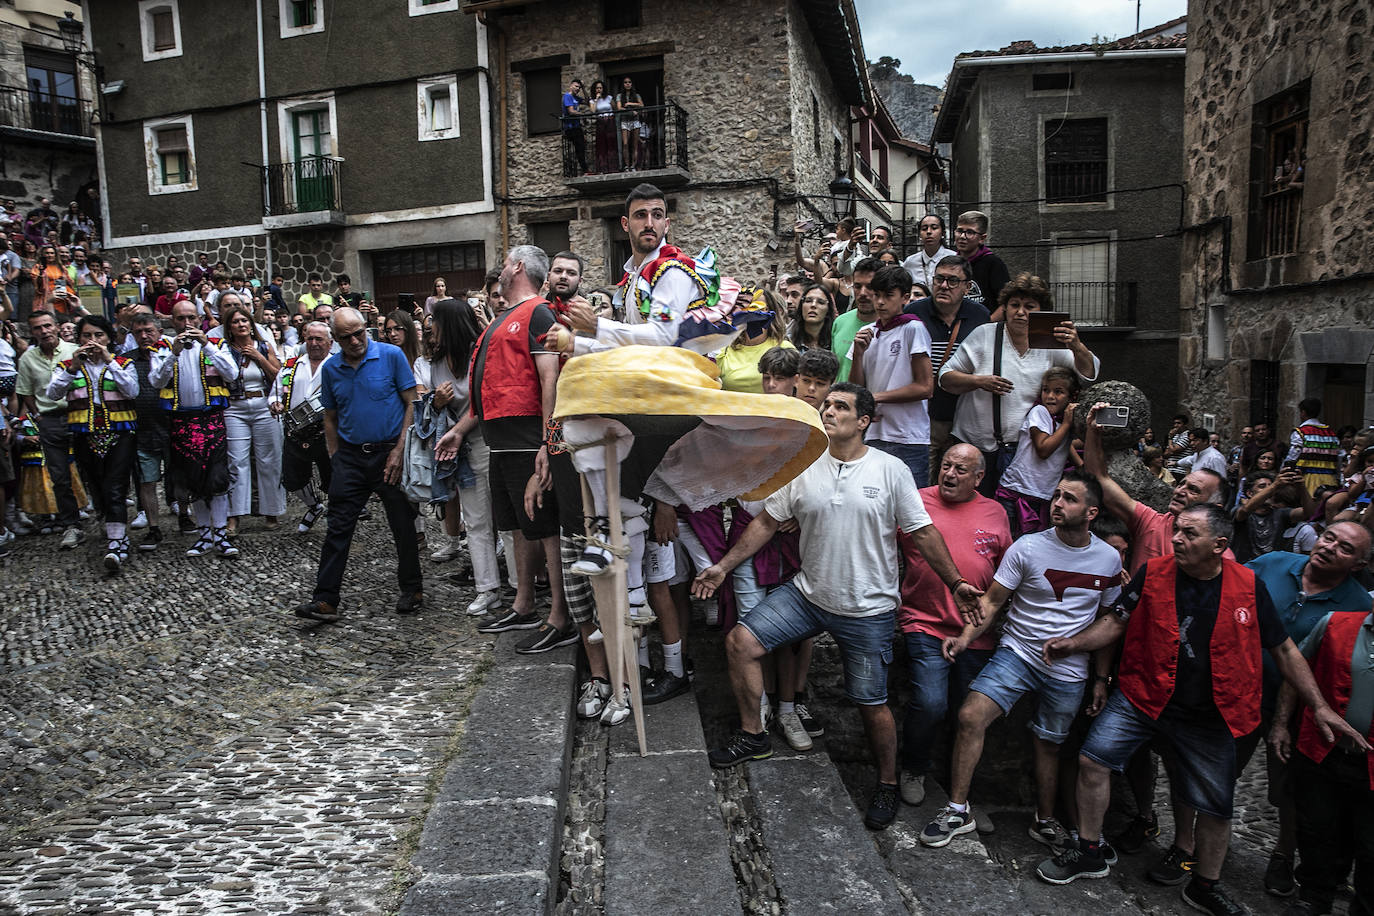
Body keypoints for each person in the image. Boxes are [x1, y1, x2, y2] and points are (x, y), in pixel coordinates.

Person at [1033, 506, 1367, 916]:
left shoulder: (1248, 585)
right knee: (1094, 759)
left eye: (1189, 534)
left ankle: (1205, 885)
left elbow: (1283, 649)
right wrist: (1074, 643)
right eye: (1177, 531)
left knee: (1215, 803)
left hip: (1213, 711)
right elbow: (1117, 622)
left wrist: (1318, 706)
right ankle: (1088, 850)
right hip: (1145, 695)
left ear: (1219, 545)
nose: (1176, 539)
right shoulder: (1154, 572)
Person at [695, 383, 980, 831]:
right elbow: (768, 521)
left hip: (868, 610)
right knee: (740, 643)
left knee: (871, 703)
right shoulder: (805, 465)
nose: (828, 411)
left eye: (840, 406)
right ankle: (754, 735)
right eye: (826, 404)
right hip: (808, 596)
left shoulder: (890, 470)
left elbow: (922, 533)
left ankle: (886, 782)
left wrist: (957, 582)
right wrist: (723, 567)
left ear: (863, 420)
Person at [921, 471, 1122, 851]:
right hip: (1018, 653)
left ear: (1091, 512)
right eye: (1057, 495)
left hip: (1070, 668)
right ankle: (956, 809)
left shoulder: (1109, 559)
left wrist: (1101, 678)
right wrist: (964, 639)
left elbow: (1110, 622)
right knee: (970, 715)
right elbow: (993, 601)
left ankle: (1044, 821)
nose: (1058, 504)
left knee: (1049, 744)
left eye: (1069, 499)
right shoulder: (1028, 547)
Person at [452, 246, 576, 652]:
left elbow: (549, 378)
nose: (501, 270)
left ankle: (560, 614)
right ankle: (523, 605)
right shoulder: (503, 316)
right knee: (518, 525)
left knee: (543, 525)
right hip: (500, 439)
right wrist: (460, 429)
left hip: (527, 439)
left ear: (518, 267)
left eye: (506, 263)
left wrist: (548, 439)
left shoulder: (538, 312)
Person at [1246, 521, 1373, 898]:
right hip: (1235, 693)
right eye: (1328, 537)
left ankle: (1285, 855)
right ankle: (1190, 847)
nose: (1330, 547)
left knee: (1290, 791)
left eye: (1345, 548)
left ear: (1358, 564)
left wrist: (1288, 720)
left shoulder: (1358, 607)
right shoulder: (1272, 563)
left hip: (1298, 711)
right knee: (1214, 770)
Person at [897, 444, 1012, 806]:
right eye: (946, 465)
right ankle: (914, 766)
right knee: (931, 703)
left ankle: (961, 793)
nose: (949, 474)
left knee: (970, 716)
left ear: (979, 477)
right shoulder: (915, 501)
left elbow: (1005, 571)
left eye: (961, 470)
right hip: (924, 622)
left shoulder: (995, 512)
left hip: (976, 632)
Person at [293, 308, 423, 622]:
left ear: (367, 329)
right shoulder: (332, 368)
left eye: (359, 333)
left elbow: (412, 402)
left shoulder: (390, 355)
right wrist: (336, 457)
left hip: (388, 452)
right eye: (346, 337)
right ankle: (325, 600)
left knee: (402, 524)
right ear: (335, 340)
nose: (355, 341)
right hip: (350, 456)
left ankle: (412, 588)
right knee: (338, 527)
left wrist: (399, 450)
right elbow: (330, 417)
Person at [938, 273, 1099, 498]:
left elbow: (1087, 375)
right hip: (974, 445)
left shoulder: (1049, 341)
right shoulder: (985, 334)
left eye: (1029, 306)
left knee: (1010, 517)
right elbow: (945, 377)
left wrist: (1077, 346)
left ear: (1041, 311)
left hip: (1022, 453)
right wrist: (978, 381)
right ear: (1005, 308)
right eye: (1014, 305)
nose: (1020, 312)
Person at [1269, 596, 1374, 916]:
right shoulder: (1334, 623)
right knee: (1317, 829)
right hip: (1325, 752)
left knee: (1371, 846)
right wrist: (1281, 724)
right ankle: (1313, 898)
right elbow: (1297, 671)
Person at [426, 298, 504, 618]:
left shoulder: (479, 354)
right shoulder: (436, 362)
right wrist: (436, 402)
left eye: (436, 323)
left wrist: (458, 429)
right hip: (459, 448)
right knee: (475, 521)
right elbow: (433, 411)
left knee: (507, 521)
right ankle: (488, 589)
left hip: (488, 441)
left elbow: (485, 402)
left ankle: (518, 585)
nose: (432, 329)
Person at [45, 315, 139, 570]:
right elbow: (52, 394)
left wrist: (110, 362)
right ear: (79, 339)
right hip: (85, 434)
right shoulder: (67, 366)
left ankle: (116, 544)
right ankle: (113, 530)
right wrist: (73, 368)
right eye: (87, 336)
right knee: (97, 486)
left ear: (108, 338)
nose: (93, 341)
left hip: (119, 432)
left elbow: (132, 391)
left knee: (115, 486)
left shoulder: (122, 362)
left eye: (98, 335)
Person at [149, 298, 241, 558]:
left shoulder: (216, 343)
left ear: (200, 319)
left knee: (218, 478)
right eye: (181, 319)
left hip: (212, 419)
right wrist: (174, 353)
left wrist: (206, 346)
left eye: (191, 318)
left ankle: (221, 534)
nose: (187, 324)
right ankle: (203, 535)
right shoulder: (163, 347)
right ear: (172, 321)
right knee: (193, 479)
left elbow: (232, 374)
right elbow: (156, 381)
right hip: (181, 422)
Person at [848, 263, 933, 484]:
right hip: (874, 433)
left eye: (888, 295)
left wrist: (874, 398)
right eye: (877, 295)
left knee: (909, 510)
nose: (880, 302)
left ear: (905, 298)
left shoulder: (913, 329)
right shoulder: (866, 333)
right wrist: (858, 355)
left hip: (908, 436)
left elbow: (925, 387)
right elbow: (856, 389)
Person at [15, 310, 82, 547]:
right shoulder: (27, 359)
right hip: (50, 421)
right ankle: (72, 525)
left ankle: (109, 521)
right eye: (37, 328)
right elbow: (25, 391)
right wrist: (38, 416)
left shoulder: (74, 350)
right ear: (31, 332)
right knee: (59, 476)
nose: (43, 332)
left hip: (80, 414)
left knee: (93, 468)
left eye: (46, 326)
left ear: (56, 326)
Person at [221, 302, 284, 535]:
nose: (240, 325)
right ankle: (234, 517)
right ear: (229, 327)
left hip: (263, 404)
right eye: (235, 322)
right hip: (234, 407)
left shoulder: (263, 346)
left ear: (251, 324)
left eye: (244, 320)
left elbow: (278, 375)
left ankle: (272, 512)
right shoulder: (224, 349)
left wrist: (259, 357)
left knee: (269, 460)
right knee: (236, 461)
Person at [996, 367, 1080, 537]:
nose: (1049, 396)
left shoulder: (1062, 422)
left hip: (1040, 496)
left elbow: (1064, 445)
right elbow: (1043, 449)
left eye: (1058, 392)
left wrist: (1081, 465)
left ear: (1072, 397)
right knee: (1010, 544)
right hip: (1017, 492)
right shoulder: (1039, 412)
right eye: (1045, 390)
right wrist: (1066, 425)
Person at [271, 320, 333, 534]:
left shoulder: (338, 366)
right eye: (310, 338)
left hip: (327, 430)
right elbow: (275, 392)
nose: (314, 343)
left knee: (332, 477)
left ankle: (336, 518)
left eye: (319, 339)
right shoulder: (291, 365)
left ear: (330, 342)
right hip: (296, 431)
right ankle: (314, 506)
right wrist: (275, 403)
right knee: (293, 479)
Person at [125, 312, 172, 550]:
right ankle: (154, 527)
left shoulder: (174, 355)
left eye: (149, 331)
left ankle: (184, 513)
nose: (144, 336)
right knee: (146, 480)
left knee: (180, 475)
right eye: (138, 332)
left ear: (159, 332)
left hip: (172, 425)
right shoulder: (126, 359)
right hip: (142, 427)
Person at [715, 289, 793, 394]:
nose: (753, 312)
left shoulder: (784, 348)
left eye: (759, 306)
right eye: (748, 306)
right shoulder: (724, 348)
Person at [952, 210, 1011, 315]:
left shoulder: (993, 264)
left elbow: (1006, 303)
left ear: (982, 238)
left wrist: (987, 326)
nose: (962, 236)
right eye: (959, 231)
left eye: (970, 232)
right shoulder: (951, 264)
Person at [831, 257, 878, 382]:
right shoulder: (840, 322)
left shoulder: (891, 327)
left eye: (870, 287)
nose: (862, 293)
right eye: (857, 286)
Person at [1291, 397, 1342, 495]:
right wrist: (1338, 477)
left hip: (1305, 478)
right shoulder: (1330, 433)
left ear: (1303, 412)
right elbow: (1338, 457)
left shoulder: (1300, 432)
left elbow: (1293, 455)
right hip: (1329, 479)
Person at [901, 214, 958, 293]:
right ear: (920, 235)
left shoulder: (954, 258)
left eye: (934, 228)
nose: (928, 232)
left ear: (943, 233)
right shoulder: (910, 262)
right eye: (924, 229)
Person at [786, 283, 834, 352]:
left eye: (820, 302)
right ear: (801, 307)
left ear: (828, 310)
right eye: (808, 301)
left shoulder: (835, 342)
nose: (813, 305)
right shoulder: (788, 342)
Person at [615, 77, 644, 173]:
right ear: (623, 84)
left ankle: (633, 165)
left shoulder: (637, 95)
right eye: (625, 82)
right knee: (625, 144)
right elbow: (619, 107)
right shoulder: (619, 96)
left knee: (635, 144)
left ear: (632, 84)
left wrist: (630, 103)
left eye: (629, 82)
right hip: (625, 121)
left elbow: (641, 105)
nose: (627, 84)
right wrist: (631, 111)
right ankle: (627, 166)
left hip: (635, 121)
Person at [561, 78, 589, 176]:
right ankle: (584, 170)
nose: (578, 89)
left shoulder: (576, 98)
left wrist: (584, 89)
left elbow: (588, 101)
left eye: (579, 87)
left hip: (576, 127)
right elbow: (571, 111)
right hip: (571, 127)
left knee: (581, 147)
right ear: (571, 86)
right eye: (576, 86)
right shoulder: (567, 96)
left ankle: (584, 170)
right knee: (579, 148)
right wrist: (582, 114)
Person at [589, 80, 617, 173]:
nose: (599, 90)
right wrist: (596, 99)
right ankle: (602, 168)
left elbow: (615, 108)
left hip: (610, 121)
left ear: (603, 89)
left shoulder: (609, 98)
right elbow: (593, 111)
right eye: (597, 88)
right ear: (594, 89)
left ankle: (612, 167)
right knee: (601, 144)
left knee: (611, 143)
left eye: (600, 88)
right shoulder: (592, 100)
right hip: (600, 122)